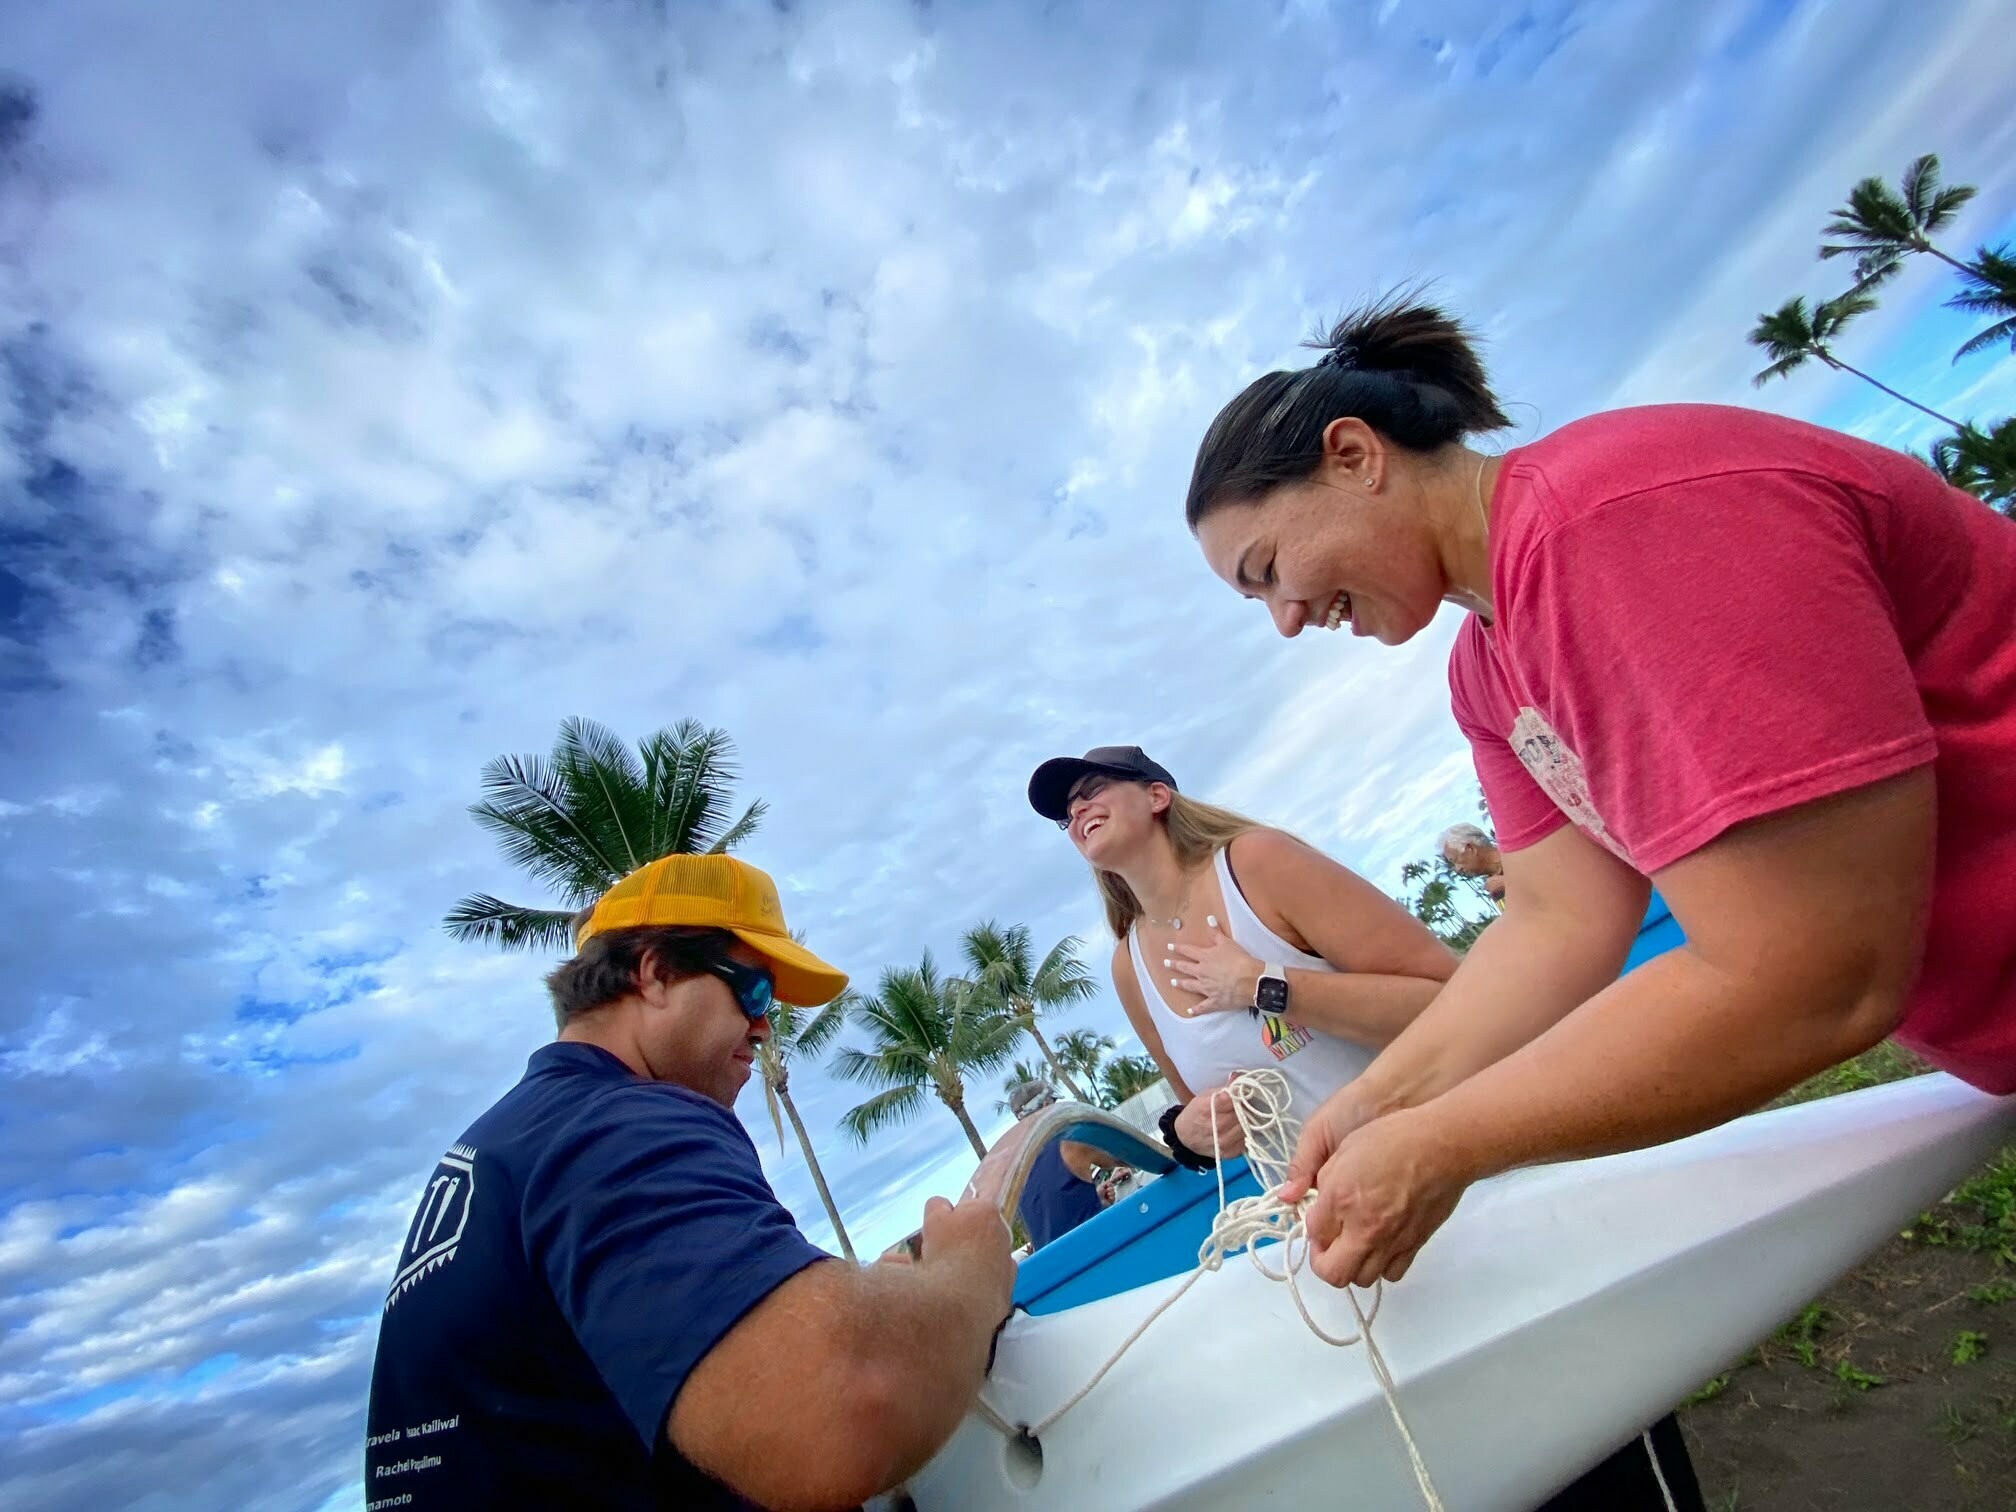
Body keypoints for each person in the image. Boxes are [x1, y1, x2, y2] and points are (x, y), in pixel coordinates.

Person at [1181, 293, 2016, 1304]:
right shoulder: (1486, 672)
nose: (1285, 619)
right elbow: (1556, 919)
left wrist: (1449, 1143)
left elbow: (1818, 973)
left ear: (1355, 456)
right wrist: (1377, 1103)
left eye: (1269, 570)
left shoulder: (1610, 523)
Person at [1026, 744, 1701, 1508]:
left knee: (1596, 1437)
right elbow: (1201, 1110)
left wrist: (1264, 985)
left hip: (1467, 1183)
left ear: (1156, 795)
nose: (1076, 810)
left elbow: (1450, 998)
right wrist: (1192, 1129)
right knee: (1488, 1462)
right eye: (1064, 811)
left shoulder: (1257, 866)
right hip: (1352, 1240)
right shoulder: (1131, 968)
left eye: (1091, 788)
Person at [364, 854, 1015, 1512]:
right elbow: (835, 1415)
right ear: (655, 973)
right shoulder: (618, 1126)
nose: (764, 1027)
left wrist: (871, 1305)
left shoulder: (507, 1148)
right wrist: (969, 1274)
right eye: (755, 992)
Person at [1005, 1078, 1111, 1251]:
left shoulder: (1018, 1170)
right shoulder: (1071, 1143)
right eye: (1054, 1102)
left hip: (1058, 1263)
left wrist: (1093, 1199)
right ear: (1047, 1106)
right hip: (1099, 1249)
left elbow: (1051, 1217)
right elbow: (1125, 1156)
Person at [1440, 821, 1506, 901]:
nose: (1458, 868)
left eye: (1455, 860)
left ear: (1470, 848)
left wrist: (1506, 883)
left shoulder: (1512, 855)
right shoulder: (1493, 885)